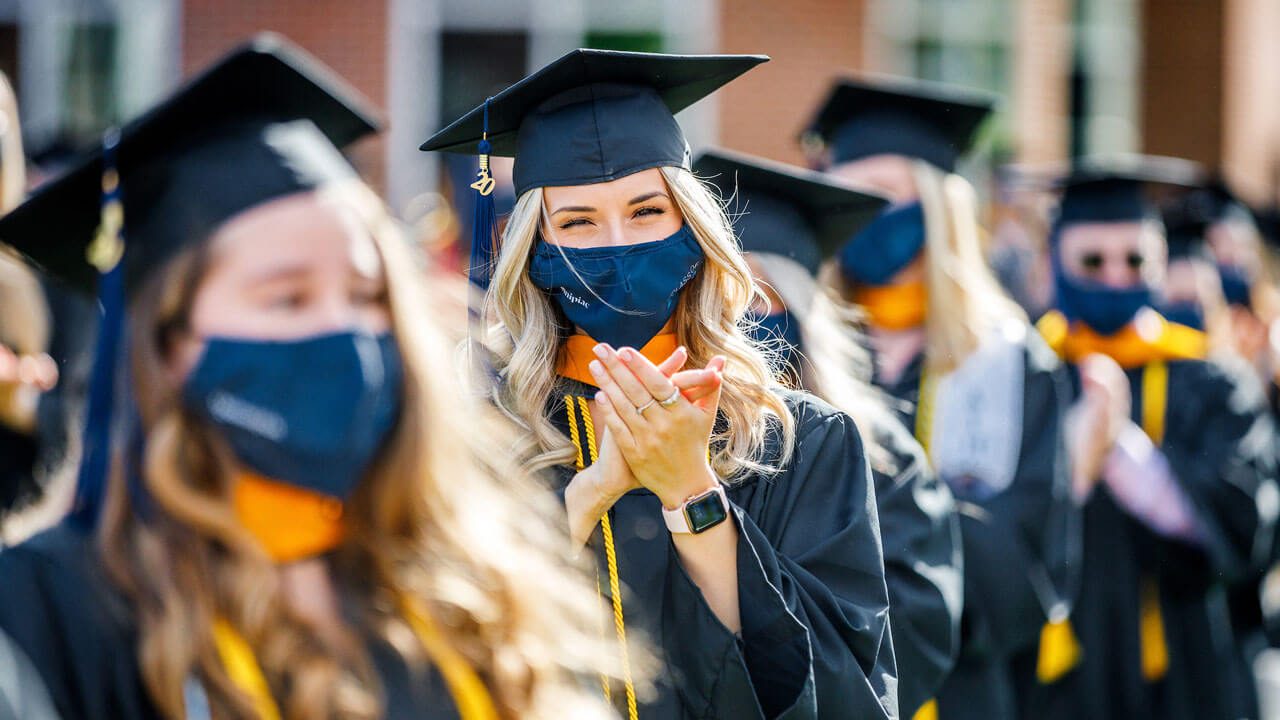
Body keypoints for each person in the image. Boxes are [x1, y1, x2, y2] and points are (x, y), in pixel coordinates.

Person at [0, 35, 613, 720]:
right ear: (167, 344)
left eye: (365, 295)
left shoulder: (467, 585)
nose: (345, 335)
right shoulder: (43, 615)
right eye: (286, 299)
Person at [421, 48, 897, 719]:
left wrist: (688, 490)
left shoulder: (799, 440)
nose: (617, 245)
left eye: (647, 211)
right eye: (579, 221)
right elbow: (436, 664)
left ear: (693, 229)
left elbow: (848, 695)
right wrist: (590, 492)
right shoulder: (480, 433)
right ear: (536, 251)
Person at [803, 76, 1079, 720]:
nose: (869, 214)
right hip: (831, 679)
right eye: (853, 196)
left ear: (938, 206)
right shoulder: (802, 350)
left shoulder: (1011, 360)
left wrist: (869, 539)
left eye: (889, 196)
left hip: (966, 686)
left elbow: (1029, 551)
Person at [694, 147, 963, 716]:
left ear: (805, 310)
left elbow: (915, 633)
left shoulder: (882, 453)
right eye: (727, 294)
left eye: (766, 297)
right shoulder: (680, 441)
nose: (746, 320)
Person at [1031, 158, 1278, 720]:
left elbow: (1247, 525)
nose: (1117, 276)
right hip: (1060, 680)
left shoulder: (1211, 377)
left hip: (1188, 669)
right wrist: (1074, 458)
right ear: (1057, 260)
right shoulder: (1030, 371)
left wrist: (1121, 452)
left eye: (1136, 258)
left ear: (1160, 259)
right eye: (1093, 260)